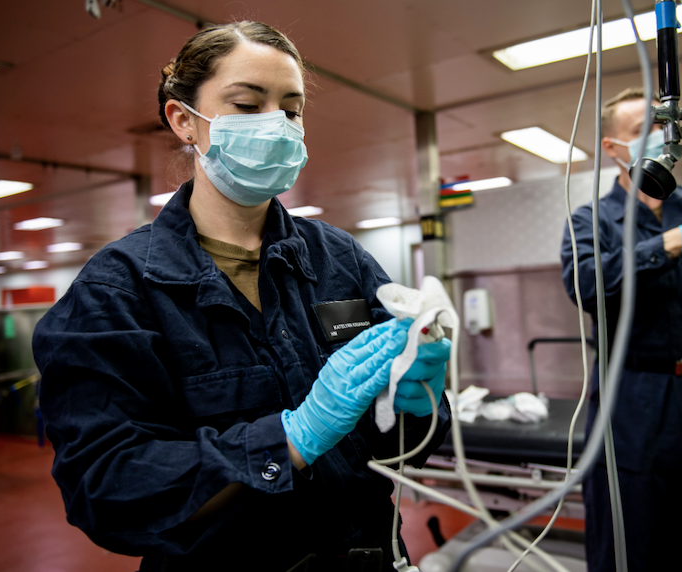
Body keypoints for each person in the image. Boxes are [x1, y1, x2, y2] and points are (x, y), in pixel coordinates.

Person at [32, 21, 452, 572]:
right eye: (247, 105)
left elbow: (396, 451)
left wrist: (417, 406)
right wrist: (292, 440)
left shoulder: (340, 260)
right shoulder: (118, 289)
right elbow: (106, 487)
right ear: (185, 120)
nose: (276, 124)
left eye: (291, 108)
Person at [560, 87, 682, 571]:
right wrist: (672, 243)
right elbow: (587, 285)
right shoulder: (592, 220)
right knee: (632, 538)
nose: (656, 138)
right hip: (633, 398)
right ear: (613, 148)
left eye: (662, 127)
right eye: (640, 131)